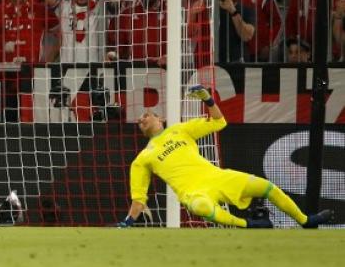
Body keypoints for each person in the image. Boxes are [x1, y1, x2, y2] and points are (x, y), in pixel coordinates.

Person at [120, 86, 334, 228]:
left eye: (146, 115)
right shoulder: (142, 158)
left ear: (160, 119)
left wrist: (208, 99)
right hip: (193, 192)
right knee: (202, 208)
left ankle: (306, 221)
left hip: (218, 177)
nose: (142, 119)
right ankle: (248, 225)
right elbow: (139, 199)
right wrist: (127, 222)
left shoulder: (180, 130)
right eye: (139, 120)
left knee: (266, 187)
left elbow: (219, 123)